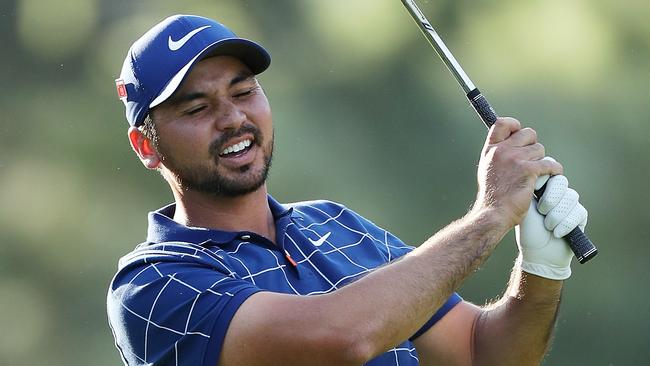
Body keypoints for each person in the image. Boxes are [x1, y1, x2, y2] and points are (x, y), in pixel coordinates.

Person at [107, 14, 588, 366]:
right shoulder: (153, 286)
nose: (233, 118)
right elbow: (343, 337)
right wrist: (489, 216)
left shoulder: (336, 224)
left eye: (243, 91)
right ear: (145, 147)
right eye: (197, 109)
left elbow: (482, 353)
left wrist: (541, 269)